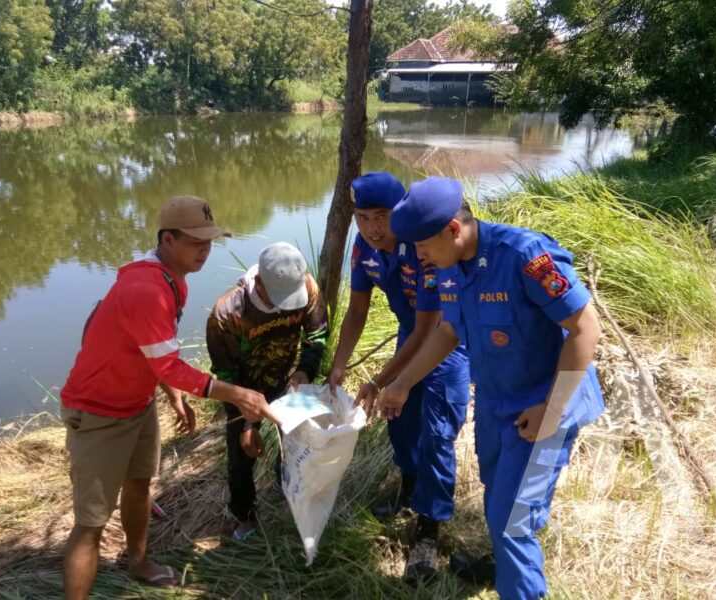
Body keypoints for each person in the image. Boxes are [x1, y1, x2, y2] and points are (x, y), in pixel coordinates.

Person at [378, 177, 604, 599]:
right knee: (498, 493)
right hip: (498, 403)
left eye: (423, 246)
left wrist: (551, 411)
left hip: (547, 404)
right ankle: (505, 566)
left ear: (452, 229)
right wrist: (404, 383)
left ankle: (520, 583)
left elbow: (585, 328)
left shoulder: (523, 256)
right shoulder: (447, 268)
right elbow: (448, 331)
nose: (418, 255)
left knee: (513, 520)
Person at [59, 196, 276, 599]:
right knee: (89, 524)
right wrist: (238, 394)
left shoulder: (172, 280)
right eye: (196, 242)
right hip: (98, 413)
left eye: (209, 241)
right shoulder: (146, 288)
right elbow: (170, 366)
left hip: (137, 405)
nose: (205, 251)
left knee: (140, 485)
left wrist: (173, 398)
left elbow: (155, 355)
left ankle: (138, 561)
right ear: (168, 239)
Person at [327, 172, 470, 582]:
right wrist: (339, 364)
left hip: (446, 339)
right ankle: (409, 484)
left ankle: (429, 528)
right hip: (411, 335)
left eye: (382, 216)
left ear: (400, 212)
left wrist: (381, 380)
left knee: (437, 432)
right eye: (363, 217)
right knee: (400, 422)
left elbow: (429, 329)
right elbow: (357, 311)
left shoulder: (420, 246)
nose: (373, 227)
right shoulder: (363, 248)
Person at [206, 242, 329, 541]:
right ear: (259, 282)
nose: (288, 305)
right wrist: (248, 422)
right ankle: (244, 515)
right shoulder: (227, 314)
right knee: (241, 454)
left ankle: (286, 485)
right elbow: (226, 375)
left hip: (287, 382)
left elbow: (317, 335)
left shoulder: (308, 287)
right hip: (243, 389)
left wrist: (304, 371)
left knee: (296, 441)